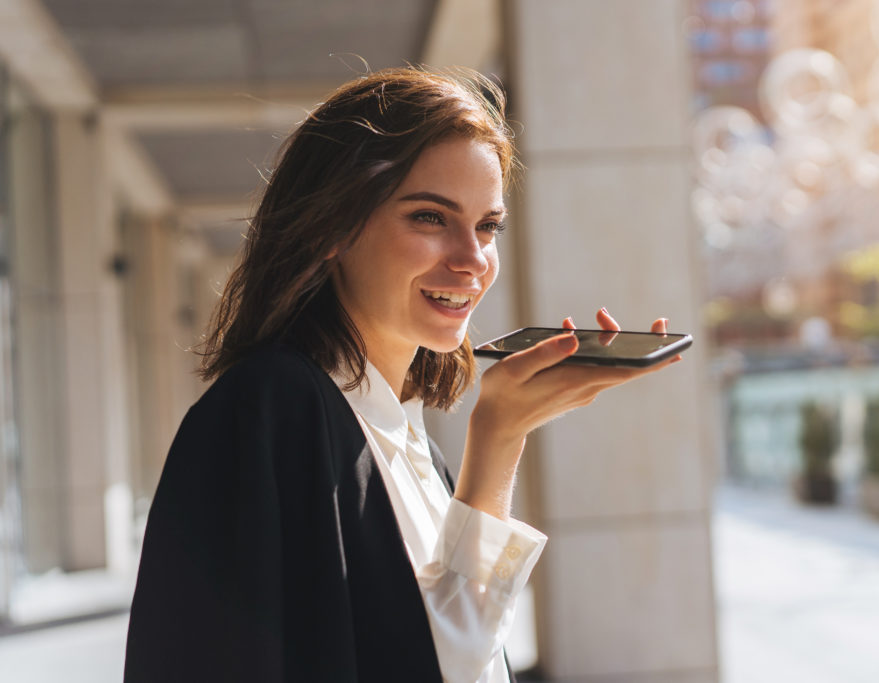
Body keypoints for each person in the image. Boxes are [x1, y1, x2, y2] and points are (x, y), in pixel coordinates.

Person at [123, 67, 681, 683]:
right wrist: (496, 436)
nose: (473, 259)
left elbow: (453, 655)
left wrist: (501, 434)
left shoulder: (405, 436)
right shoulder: (271, 409)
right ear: (333, 225)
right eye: (430, 218)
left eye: (488, 226)